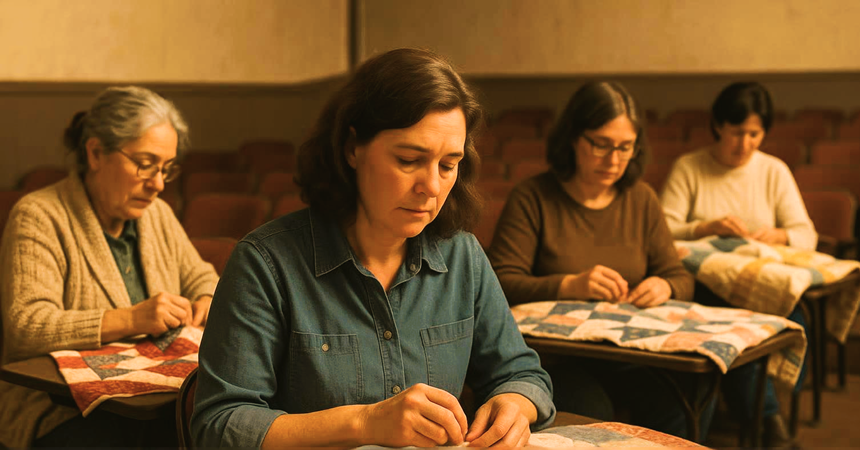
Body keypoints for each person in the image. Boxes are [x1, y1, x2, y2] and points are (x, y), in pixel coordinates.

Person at [191, 48, 555, 449]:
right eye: (408, 160)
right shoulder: (266, 264)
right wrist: (364, 421)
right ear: (352, 149)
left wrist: (514, 405)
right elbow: (220, 425)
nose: (431, 187)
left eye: (448, 165)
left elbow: (522, 374)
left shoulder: (461, 256)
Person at [0, 86, 219, 448]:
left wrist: (207, 296)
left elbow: (201, 275)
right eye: (145, 164)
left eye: (166, 168)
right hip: (60, 406)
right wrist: (132, 319)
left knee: (213, 426)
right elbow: (26, 325)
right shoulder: (39, 215)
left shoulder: (157, 215)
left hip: (147, 398)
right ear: (96, 152)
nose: (158, 184)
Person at [486, 81, 707, 439]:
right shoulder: (534, 198)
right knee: (592, 411)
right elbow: (499, 284)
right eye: (601, 145)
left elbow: (679, 276)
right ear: (573, 137)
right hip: (555, 358)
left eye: (625, 148)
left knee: (684, 400)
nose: (614, 160)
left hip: (629, 354)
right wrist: (569, 284)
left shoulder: (640, 199)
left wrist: (664, 284)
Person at [660, 81, 814, 446]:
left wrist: (777, 235)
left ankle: (766, 413)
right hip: (708, 285)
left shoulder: (773, 170)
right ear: (718, 126)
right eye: (735, 133)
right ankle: (768, 423)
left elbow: (805, 234)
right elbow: (662, 229)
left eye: (754, 134)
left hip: (761, 279)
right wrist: (705, 227)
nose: (744, 144)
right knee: (736, 325)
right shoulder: (690, 167)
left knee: (792, 318)